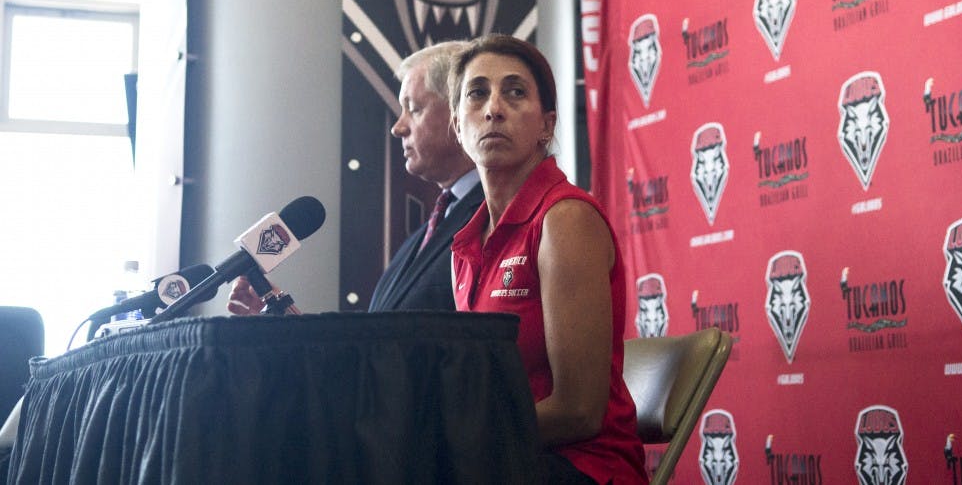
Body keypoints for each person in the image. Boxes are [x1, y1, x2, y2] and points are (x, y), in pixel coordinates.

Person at [449, 34, 648, 484]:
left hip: (580, 468)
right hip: (501, 461)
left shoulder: (565, 219)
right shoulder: (465, 245)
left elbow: (579, 412)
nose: (494, 108)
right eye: (477, 92)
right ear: (458, 126)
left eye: (515, 92)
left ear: (546, 125)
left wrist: (457, 435)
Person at [227, 41, 482, 315]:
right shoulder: (426, 233)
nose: (398, 127)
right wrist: (280, 313)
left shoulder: (494, 216)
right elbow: (378, 349)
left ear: (461, 112)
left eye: (414, 108)